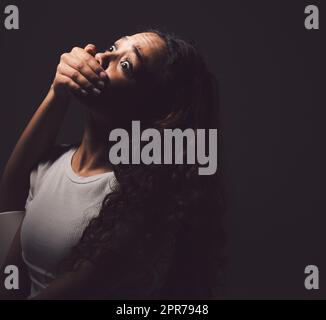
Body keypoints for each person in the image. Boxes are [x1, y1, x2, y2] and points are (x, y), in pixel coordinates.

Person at [0, 30, 223, 299]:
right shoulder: (52, 163)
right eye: (113, 47)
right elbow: (10, 204)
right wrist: (58, 91)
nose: (103, 57)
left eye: (126, 65)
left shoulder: (136, 205)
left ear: (152, 111)